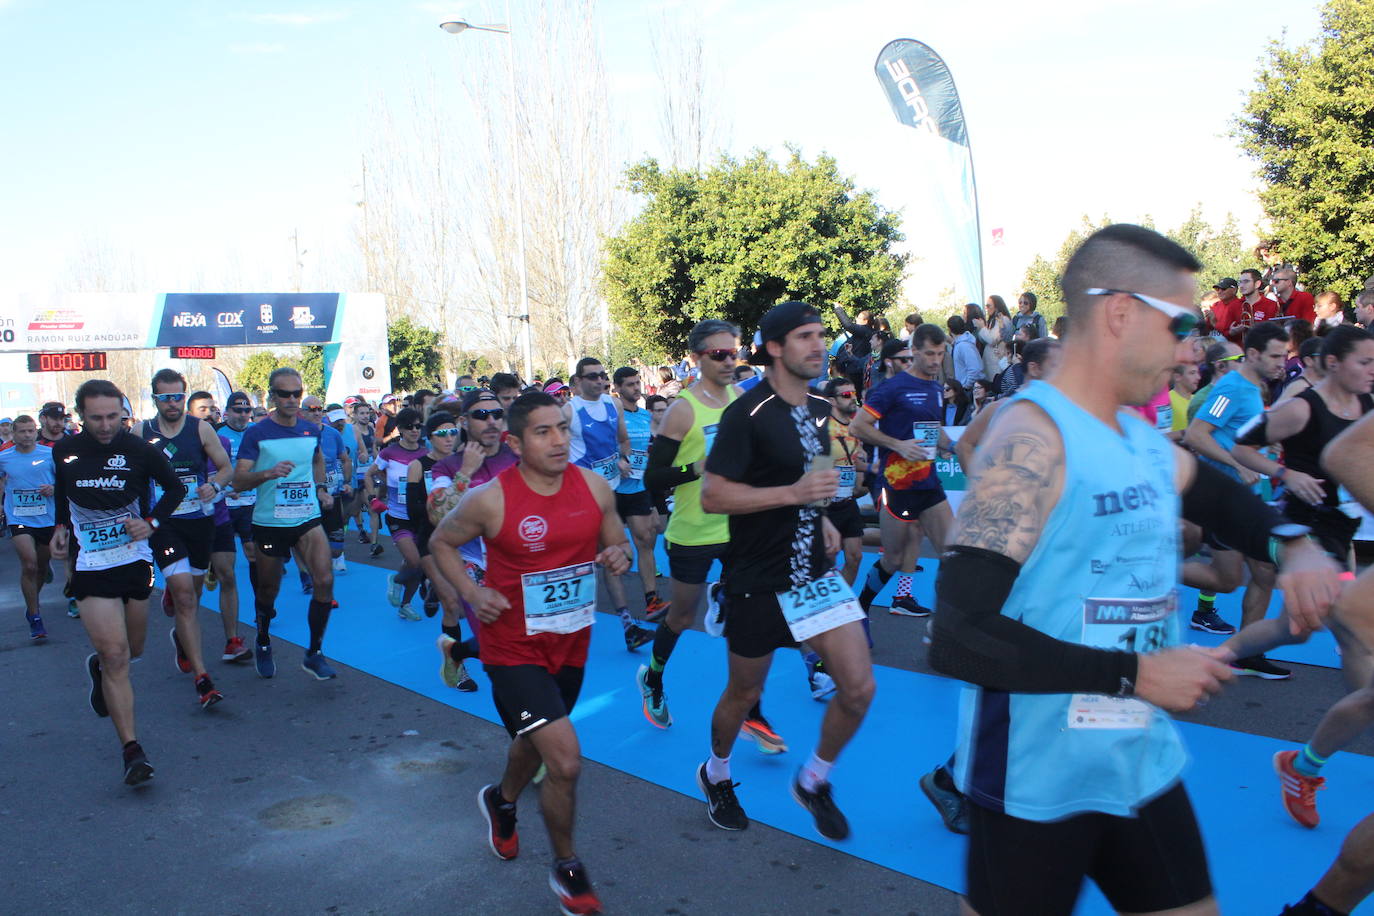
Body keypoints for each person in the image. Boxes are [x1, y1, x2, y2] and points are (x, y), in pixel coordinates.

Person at [927, 223, 1341, 916]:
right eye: (1182, 323)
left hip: (1137, 756)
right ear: (1120, 313)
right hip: (1039, 774)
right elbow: (959, 634)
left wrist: (1292, 546)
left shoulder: (1137, 437)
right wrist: (1136, 673)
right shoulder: (1032, 438)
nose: (1193, 346)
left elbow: (1217, 495)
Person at [429, 391, 631, 916]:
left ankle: (501, 800)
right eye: (544, 431)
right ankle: (568, 869)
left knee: (533, 741)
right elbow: (441, 544)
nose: (560, 439)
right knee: (564, 759)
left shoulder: (592, 485)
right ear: (516, 443)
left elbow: (617, 541)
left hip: (571, 640)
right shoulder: (492, 498)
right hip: (510, 645)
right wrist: (472, 594)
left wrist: (617, 552)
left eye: (563, 427)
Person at [694, 300, 875, 840]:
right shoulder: (744, 415)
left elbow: (817, 464)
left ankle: (814, 781)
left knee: (859, 688)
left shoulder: (821, 404)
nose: (819, 345)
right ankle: (716, 771)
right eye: (805, 337)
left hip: (814, 577)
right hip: (758, 581)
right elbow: (713, 495)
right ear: (774, 348)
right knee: (743, 695)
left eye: (821, 335)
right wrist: (790, 494)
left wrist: (818, 513)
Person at [1217, 327, 1374, 829]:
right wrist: (1286, 475)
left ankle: (1207, 659)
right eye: (1364, 362)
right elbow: (1241, 445)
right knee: (1352, 636)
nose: (1372, 370)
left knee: (1295, 629)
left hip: (1340, 535)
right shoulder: (1303, 408)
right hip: (1303, 538)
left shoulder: (1367, 403)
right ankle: (1306, 764)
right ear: (1331, 362)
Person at [641, 319, 787, 753]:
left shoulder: (742, 401)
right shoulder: (682, 409)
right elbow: (654, 476)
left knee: (752, 618)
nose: (729, 361)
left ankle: (751, 708)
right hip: (692, 530)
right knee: (682, 616)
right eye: (719, 354)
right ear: (696, 359)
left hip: (739, 528)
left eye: (734, 352)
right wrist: (695, 470)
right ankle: (652, 676)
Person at [51, 379, 189, 785]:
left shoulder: (139, 449)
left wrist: (152, 523)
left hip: (133, 559)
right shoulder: (65, 449)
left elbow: (176, 488)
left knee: (133, 651)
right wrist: (61, 524)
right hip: (90, 562)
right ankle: (132, 750)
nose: (106, 425)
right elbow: (63, 488)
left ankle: (100, 668)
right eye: (96, 418)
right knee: (116, 655)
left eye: (113, 416)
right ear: (81, 417)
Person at [1183, 321, 1293, 677]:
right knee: (1228, 580)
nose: (1282, 362)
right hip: (1221, 497)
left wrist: (1264, 445)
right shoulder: (1231, 387)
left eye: (1285, 355)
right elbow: (1198, 435)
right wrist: (1236, 464)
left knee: (1264, 571)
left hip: (1245, 498)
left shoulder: (1254, 387)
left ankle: (1246, 653)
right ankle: (1147, 572)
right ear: (1254, 354)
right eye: (1276, 356)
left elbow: (1237, 436)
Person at [231, 366, 339, 680]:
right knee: (268, 590)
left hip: (306, 517)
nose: (292, 399)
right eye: (284, 394)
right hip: (269, 522)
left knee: (325, 580)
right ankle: (263, 638)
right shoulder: (257, 432)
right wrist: (267, 473)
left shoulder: (310, 429)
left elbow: (316, 459)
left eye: (297, 393)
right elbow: (238, 481)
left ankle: (314, 653)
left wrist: (320, 488)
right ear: (272, 396)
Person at [850, 327, 957, 619]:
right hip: (897, 486)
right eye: (929, 354)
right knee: (893, 558)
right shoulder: (892, 388)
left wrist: (954, 446)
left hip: (928, 482)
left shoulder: (936, 387)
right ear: (915, 352)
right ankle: (862, 607)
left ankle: (947, 626)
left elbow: (934, 431)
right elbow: (858, 427)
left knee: (953, 556)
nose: (936, 360)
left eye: (940, 353)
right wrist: (898, 445)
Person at [141, 369, 230, 709]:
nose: (173, 403)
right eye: (166, 398)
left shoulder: (201, 428)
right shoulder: (142, 432)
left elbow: (225, 467)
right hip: (164, 522)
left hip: (199, 521)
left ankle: (181, 637)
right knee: (184, 597)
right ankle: (203, 678)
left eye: (178, 396)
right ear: (156, 400)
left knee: (190, 596)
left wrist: (216, 485)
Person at [428, 389, 519, 692]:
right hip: (474, 565)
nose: (491, 421)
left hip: (519, 563)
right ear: (464, 421)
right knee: (501, 652)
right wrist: (466, 471)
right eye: (481, 415)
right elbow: (436, 514)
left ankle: (455, 651)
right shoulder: (447, 466)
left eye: (497, 414)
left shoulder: (518, 454)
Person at [187, 391, 252, 663]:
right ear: (190, 414)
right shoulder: (178, 446)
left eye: (212, 408)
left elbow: (227, 475)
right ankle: (185, 642)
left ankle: (232, 641)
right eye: (202, 409)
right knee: (193, 590)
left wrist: (225, 489)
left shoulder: (223, 442)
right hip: (189, 523)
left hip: (220, 518)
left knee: (228, 576)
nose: (209, 413)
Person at [611, 367, 669, 637]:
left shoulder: (646, 416)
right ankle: (621, 612)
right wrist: (617, 460)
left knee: (646, 542)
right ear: (618, 388)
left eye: (638, 383)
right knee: (615, 553)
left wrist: (655, 500)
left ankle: (651, 600)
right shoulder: (613, 414)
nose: (636, 388)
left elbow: (650, 453)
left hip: (637, 488)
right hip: (611, 489)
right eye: (630, 384)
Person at [0, 415, 55, 639]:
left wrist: (53, 488)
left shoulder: (49, 454)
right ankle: (35, 616)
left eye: (30, 431)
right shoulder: (4, 457)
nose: (26, 435)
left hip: (46, 518)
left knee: (41, 566)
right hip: (19, 517)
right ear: (13, 433)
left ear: (36, 431)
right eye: (21, 431)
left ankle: (32, 601)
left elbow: (66, 480)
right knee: (29, 564)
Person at [371, 407, 428, 620]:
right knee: (415, 562)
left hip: (420, 516)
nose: (415, 430)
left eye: (418, 426)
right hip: (397, 516)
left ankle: (405, 604)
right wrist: (375, 495)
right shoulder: (389, 452)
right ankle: (396, 580)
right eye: (409, 427)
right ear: (400, 429)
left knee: (415, 565)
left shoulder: (425, 453)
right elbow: (371, 473)